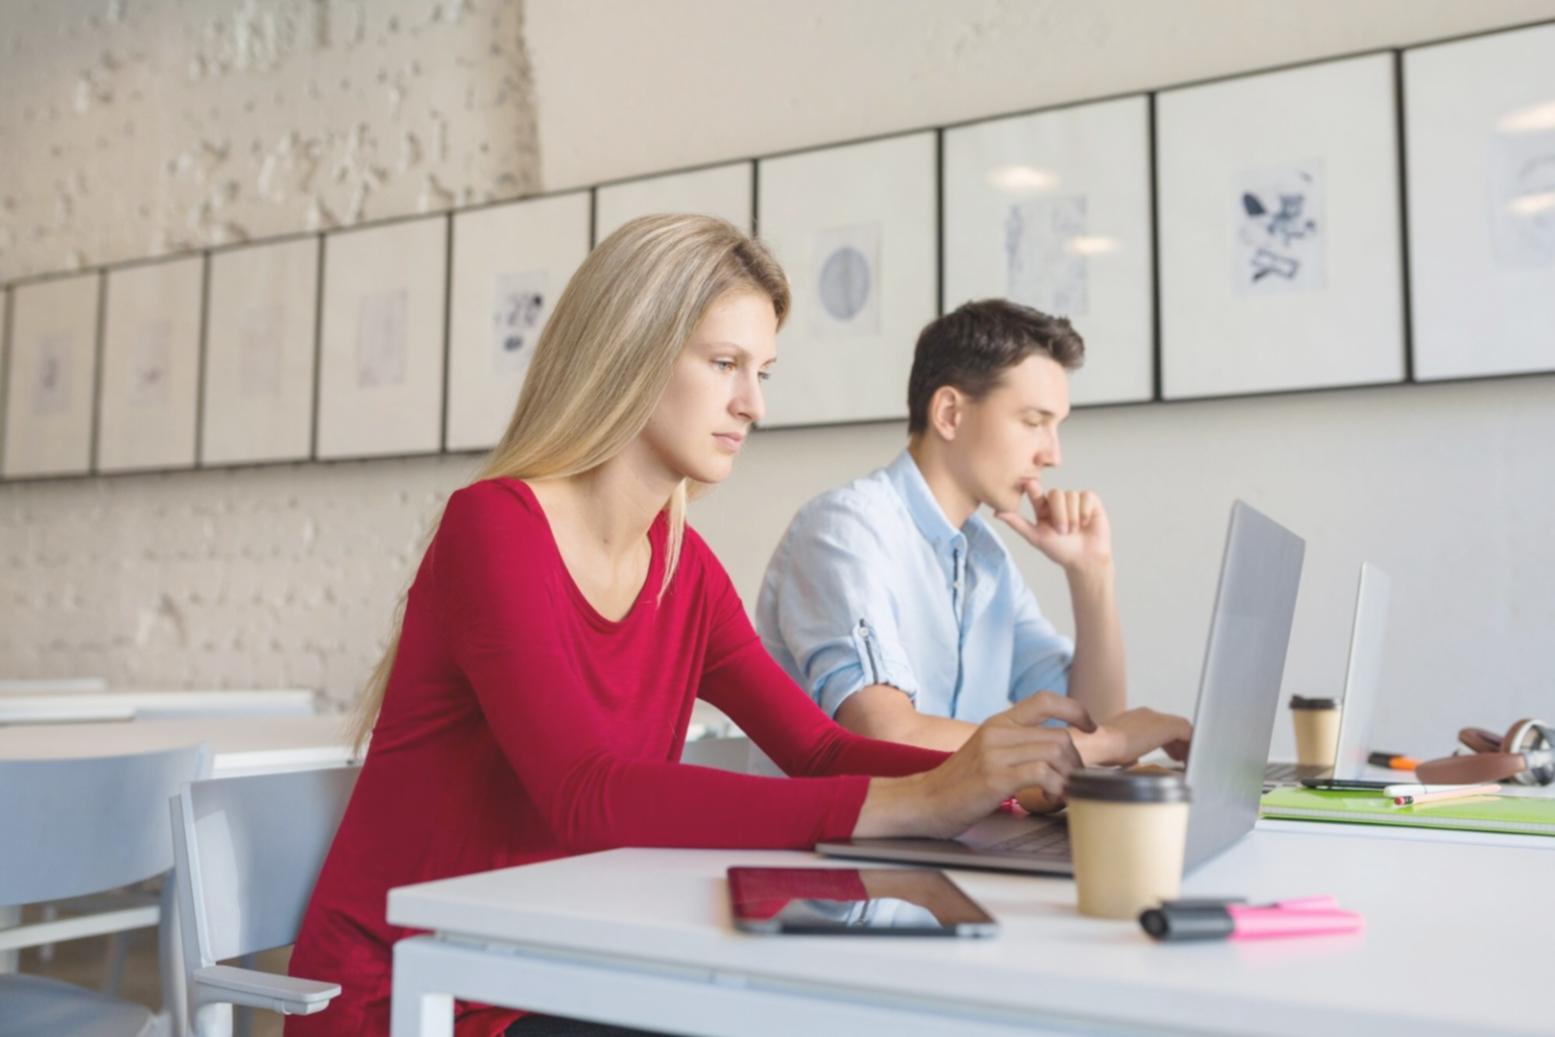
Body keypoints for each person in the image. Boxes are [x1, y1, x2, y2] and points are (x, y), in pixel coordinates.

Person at [287, 217, 1097, 1037]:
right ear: (631, 353)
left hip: (553, 968)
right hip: (413, 991)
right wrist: (920, 797)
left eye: (762, 371)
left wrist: (1001, 782)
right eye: (724, 365)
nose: (753, 404)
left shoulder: (683, 563)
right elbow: (584, 793)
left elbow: (815, 749)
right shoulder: (493, 527)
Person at [756, 299, 1190, 763]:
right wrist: (1104, 743)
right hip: (834, 834)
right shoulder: (846, 531)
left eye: (1055, 427)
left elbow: (1091, 728)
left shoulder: (987, 559)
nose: (1052, 454)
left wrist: (1092, 573)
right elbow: (886, 735)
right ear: (949, 413)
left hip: (951, 832)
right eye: (1033, 422)